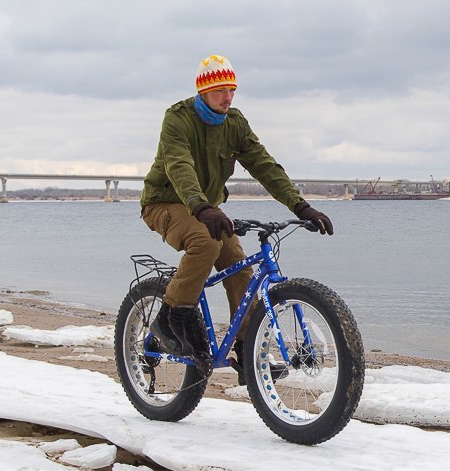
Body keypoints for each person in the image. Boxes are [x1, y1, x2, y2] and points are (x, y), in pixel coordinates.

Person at [139, 54, 333, 381]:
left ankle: (246, 347)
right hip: (165, 203)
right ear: (203, 91)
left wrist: (301, 207)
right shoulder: (178, 119)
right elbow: (179, 167)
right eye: (220, 91)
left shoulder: (235, 123)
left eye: (232, 90)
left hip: (206, 208)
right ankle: (172, 317)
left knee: (237, 261)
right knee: (205, 242)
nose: (228, 97)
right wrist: (202, 207)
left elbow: (265, 166)